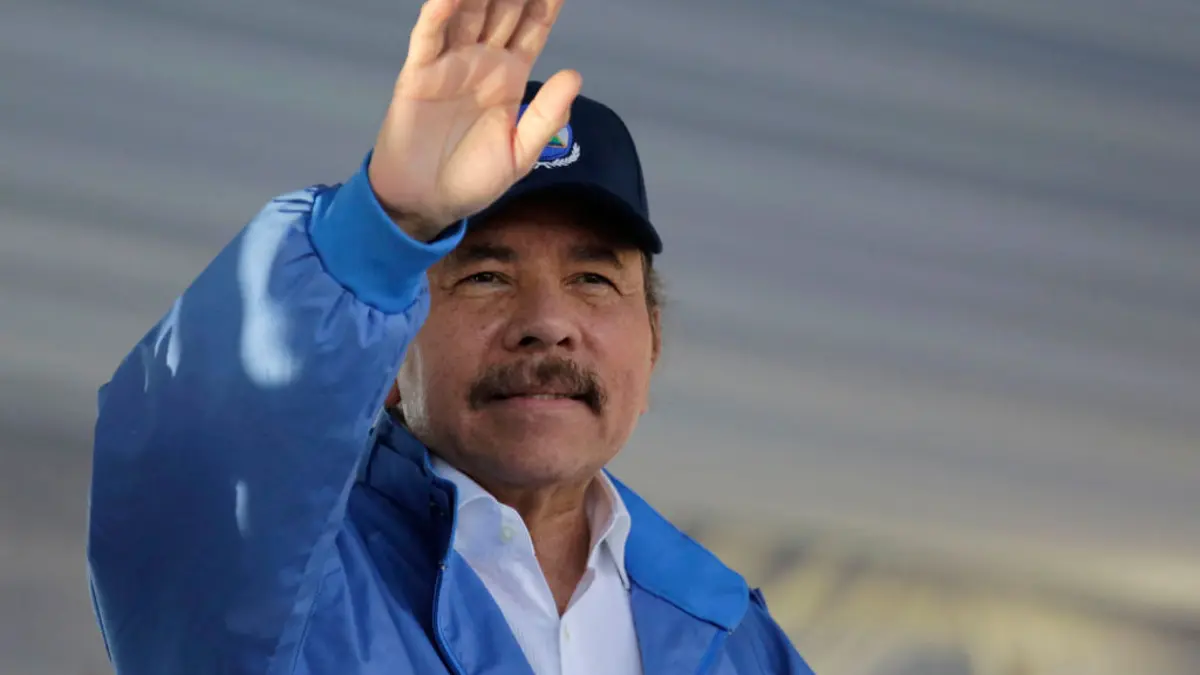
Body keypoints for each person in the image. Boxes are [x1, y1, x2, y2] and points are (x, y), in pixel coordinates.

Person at [86, 0, 816, 673]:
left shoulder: (734, 638)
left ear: (651, 344)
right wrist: (383, 228)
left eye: (593, 279)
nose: (547, 323)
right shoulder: (277, 588)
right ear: (391, 354)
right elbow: (200, 470)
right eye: (485, 277)